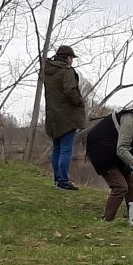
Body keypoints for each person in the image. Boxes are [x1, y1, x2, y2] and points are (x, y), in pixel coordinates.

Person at [43, 45, 85, 191]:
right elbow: (70, 90)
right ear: (68, 58)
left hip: (52, 116)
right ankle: (64, 180)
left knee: (57, 149)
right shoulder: (66, 71)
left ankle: (57, 179)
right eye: (72, 58)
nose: (72, 61)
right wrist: (79, 101)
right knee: (66, 149)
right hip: (67, 116)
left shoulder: (48, 71)